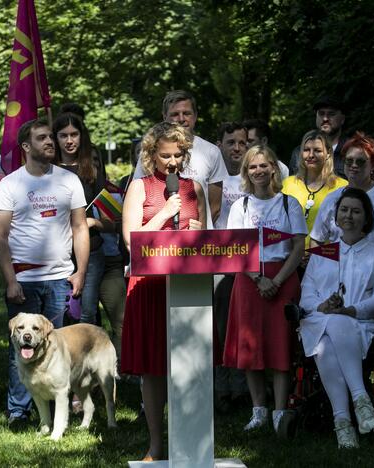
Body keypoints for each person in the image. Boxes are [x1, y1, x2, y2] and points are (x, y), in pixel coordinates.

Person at [0, 118, 89, 427]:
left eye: (51, 136)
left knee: (56, 349)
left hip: (61, 278)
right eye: (42, 138)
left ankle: (51, 407)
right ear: (25, 146)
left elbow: (79, 228)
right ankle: (18, 411)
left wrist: (80, 272)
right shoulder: (10, 185)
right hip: (24, 281)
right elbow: (0, 237)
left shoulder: (69, 180)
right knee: (19, 349)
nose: (51, 141)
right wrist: (10, 281)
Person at [121, 122, 206, 461]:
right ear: (151, 154)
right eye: (165, 155)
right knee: (154, 368)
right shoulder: (139, 188)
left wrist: (198, 233)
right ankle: (157, 444)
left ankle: (192, 441)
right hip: (149, 287)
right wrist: (165, 214)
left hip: (188, 288)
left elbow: (208, 245)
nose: (172, 162)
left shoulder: (194, 188)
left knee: (188, 364)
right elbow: (131, 239)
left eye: (178, 155)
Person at [299, 188, 374, 449]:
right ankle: (360, 402)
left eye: (355, 210)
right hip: (320, 321)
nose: (348, 215)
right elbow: (306, 297)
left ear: (366, 217)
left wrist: (353, 310)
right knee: (331, 328)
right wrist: (322, 305)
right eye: (344, 210)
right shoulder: (323, 253)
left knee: (330, 338)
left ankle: (343, 423)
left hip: (363, 325)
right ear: (336, 216)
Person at [224, 145, 306, 433]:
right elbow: (234, 250)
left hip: (283, 278)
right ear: (246, 172)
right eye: (252, 167)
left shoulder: (289, 204)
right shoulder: (240, 207)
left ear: (274, 168)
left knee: (282, 347)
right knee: (250, 347)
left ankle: (281, 412)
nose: (258, 171)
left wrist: (277, 280)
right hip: (249, 282)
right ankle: (259, 410)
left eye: (263, 165)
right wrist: (259, 280)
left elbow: (298, 247)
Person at [309, 132, 374, 278]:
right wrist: (321, 269)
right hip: (338, 276)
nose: (353, 165)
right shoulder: (332, 198)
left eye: (360, 161)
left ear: (373, 165)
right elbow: (316, 239)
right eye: (349, 160)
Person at [131, 90, 227, 224]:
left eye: (187, 113)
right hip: (158, 239)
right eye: (175, 114)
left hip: (197, 238)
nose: (181, 119)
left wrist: (196, 230)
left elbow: (215, 207)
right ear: (165, 117)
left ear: (195, 116)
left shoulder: (212, 152)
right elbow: (138, 197)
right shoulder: (150, 152)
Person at [52, 113, 107, 326]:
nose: (69, 140)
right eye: (63, 135)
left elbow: (113, 222)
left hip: (91, 252)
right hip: (57, 254)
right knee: (61, 316)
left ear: (81, 136)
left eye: (74, 134)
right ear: (54, 138)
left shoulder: (91, 170)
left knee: (86, 315)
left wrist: (90, 223)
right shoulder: (47, 171)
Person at [212, 121, 248, 411]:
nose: (237, 148)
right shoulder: (213, 177)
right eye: (231, 142)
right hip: (214, 261)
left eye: (242, 143)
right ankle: (220, 388)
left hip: (246, 263)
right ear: (219, 145)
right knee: (218, 328)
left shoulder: (255, 176)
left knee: (241, 328)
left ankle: (241, 389)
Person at [288, 97, 374, 183]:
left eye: (331, 114)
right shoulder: (299, 152)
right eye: (321, 114)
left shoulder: (358, 151)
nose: (325, 118)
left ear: (342, 119)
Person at [281, 130, 348, 249]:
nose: (311, 155)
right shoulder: (287, 184)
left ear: (328, 154)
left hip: (327, 258)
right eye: (306, 150)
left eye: (317, 150)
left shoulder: (342, 187)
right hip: (290, 258)